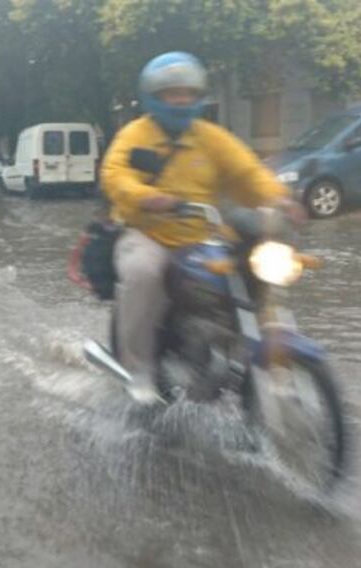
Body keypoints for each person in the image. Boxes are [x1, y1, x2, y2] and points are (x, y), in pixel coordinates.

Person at [101, 51, 307, 405]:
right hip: (147, 233)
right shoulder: (135, 134)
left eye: (187, 92)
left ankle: (238, 354)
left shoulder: (212, 137)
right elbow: (114, 174)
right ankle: (138, 369)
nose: (181, 99)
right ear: (155, 96)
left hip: (201, 236)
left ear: (198, 96)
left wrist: (281, 199)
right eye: (171, 93)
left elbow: (248, 173)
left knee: (249, 271)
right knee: (144, 273)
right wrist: (147, 197)